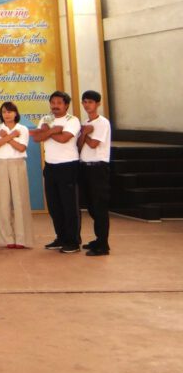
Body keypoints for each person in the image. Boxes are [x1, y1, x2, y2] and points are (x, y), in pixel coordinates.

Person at [30, 91, 82, 254]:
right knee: (54, 206)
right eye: (53, 102)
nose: (55, 106)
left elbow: (64, 138)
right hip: (50, 166)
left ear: (66, 105)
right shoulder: (46, 119)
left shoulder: (72, 120)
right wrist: (53, 130)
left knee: (69, 205)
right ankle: (61, 238)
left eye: (59, 103)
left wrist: (47, 132)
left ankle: (73, 241)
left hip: (68, 166)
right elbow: (36, 138)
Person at [0, 101, 33, 249]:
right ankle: (7, 238)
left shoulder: (22, 129)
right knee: (2, 201)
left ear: (15, 113)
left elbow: (21, 148)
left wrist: (7, 137)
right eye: (4, 112)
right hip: (1, 164)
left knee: (20, 200)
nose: (7, 114)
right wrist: (11, 136)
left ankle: (22, 239)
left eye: (9, 111)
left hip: (17, 163)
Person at [78, 90, 112, 257]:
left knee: (99, 206)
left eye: (90, 102)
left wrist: (85, 133)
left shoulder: (102, 122)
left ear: (98, 104)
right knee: (91, 206)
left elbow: (93, 144)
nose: (87, 105)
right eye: (85, 102)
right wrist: (84, 133)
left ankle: (103, 244)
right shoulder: (85, 122)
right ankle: (98, 239)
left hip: (98, 167)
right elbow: (80, 144)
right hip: (85, 167)